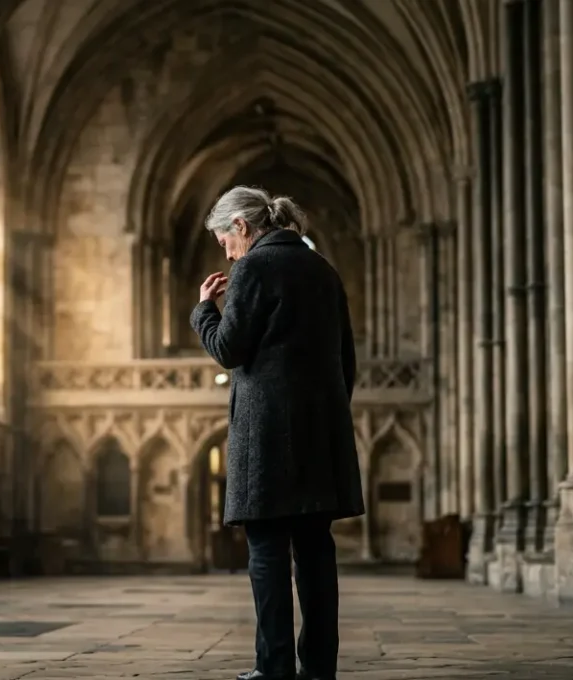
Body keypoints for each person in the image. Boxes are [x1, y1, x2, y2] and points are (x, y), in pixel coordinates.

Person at [189, 186, 363, 680]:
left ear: (241, 226)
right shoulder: (324, 270)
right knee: (315, 552)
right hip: (320, 435)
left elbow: (229, 349)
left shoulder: (253, 267)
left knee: (266, 551)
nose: (225, 250)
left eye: (224, 238)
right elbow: (346, 361)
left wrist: (203, 310)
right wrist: (326, 417)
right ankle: (320, 669)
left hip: (265, 437)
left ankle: (275, 668)